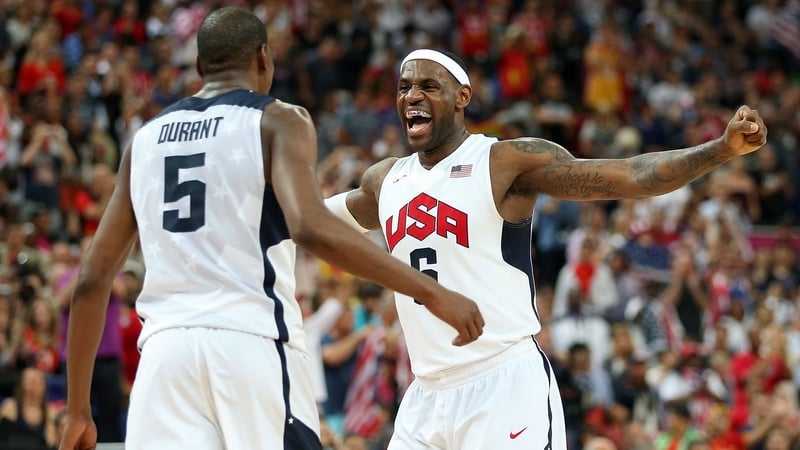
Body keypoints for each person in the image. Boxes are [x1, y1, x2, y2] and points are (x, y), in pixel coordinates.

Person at [57, 9, 484, 450]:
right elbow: (312, 229)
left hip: (164, 359)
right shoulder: (278, 119)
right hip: (250, 343)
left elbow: (90, 282)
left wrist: (77, 410)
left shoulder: (145, 140)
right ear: (264, 58)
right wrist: (434, 293)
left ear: (201, 65)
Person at [324, 48, 767, 449]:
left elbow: (631, 175)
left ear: (462, 97)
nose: (411, 96)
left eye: (427, 86)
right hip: (424, 393)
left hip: (502, 383)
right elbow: (310, 219)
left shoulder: (503, 162)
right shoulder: (386, 180)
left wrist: (720, 149)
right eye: (404, 88)